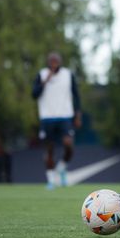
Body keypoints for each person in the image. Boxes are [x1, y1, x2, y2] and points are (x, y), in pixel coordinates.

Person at [32, 52, 82, 188]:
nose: (54, 63)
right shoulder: (41, 74)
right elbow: (34, 94)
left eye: (56, 61)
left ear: (60, 62)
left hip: (65, 116)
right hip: (47, 118)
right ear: (48, 62)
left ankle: (62, 168)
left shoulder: (67, 74)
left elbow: (76, 95)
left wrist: (77, 114)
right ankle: (51, 180)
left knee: (69, 145)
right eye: (51, 61)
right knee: (49, 150)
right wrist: (45, 81)